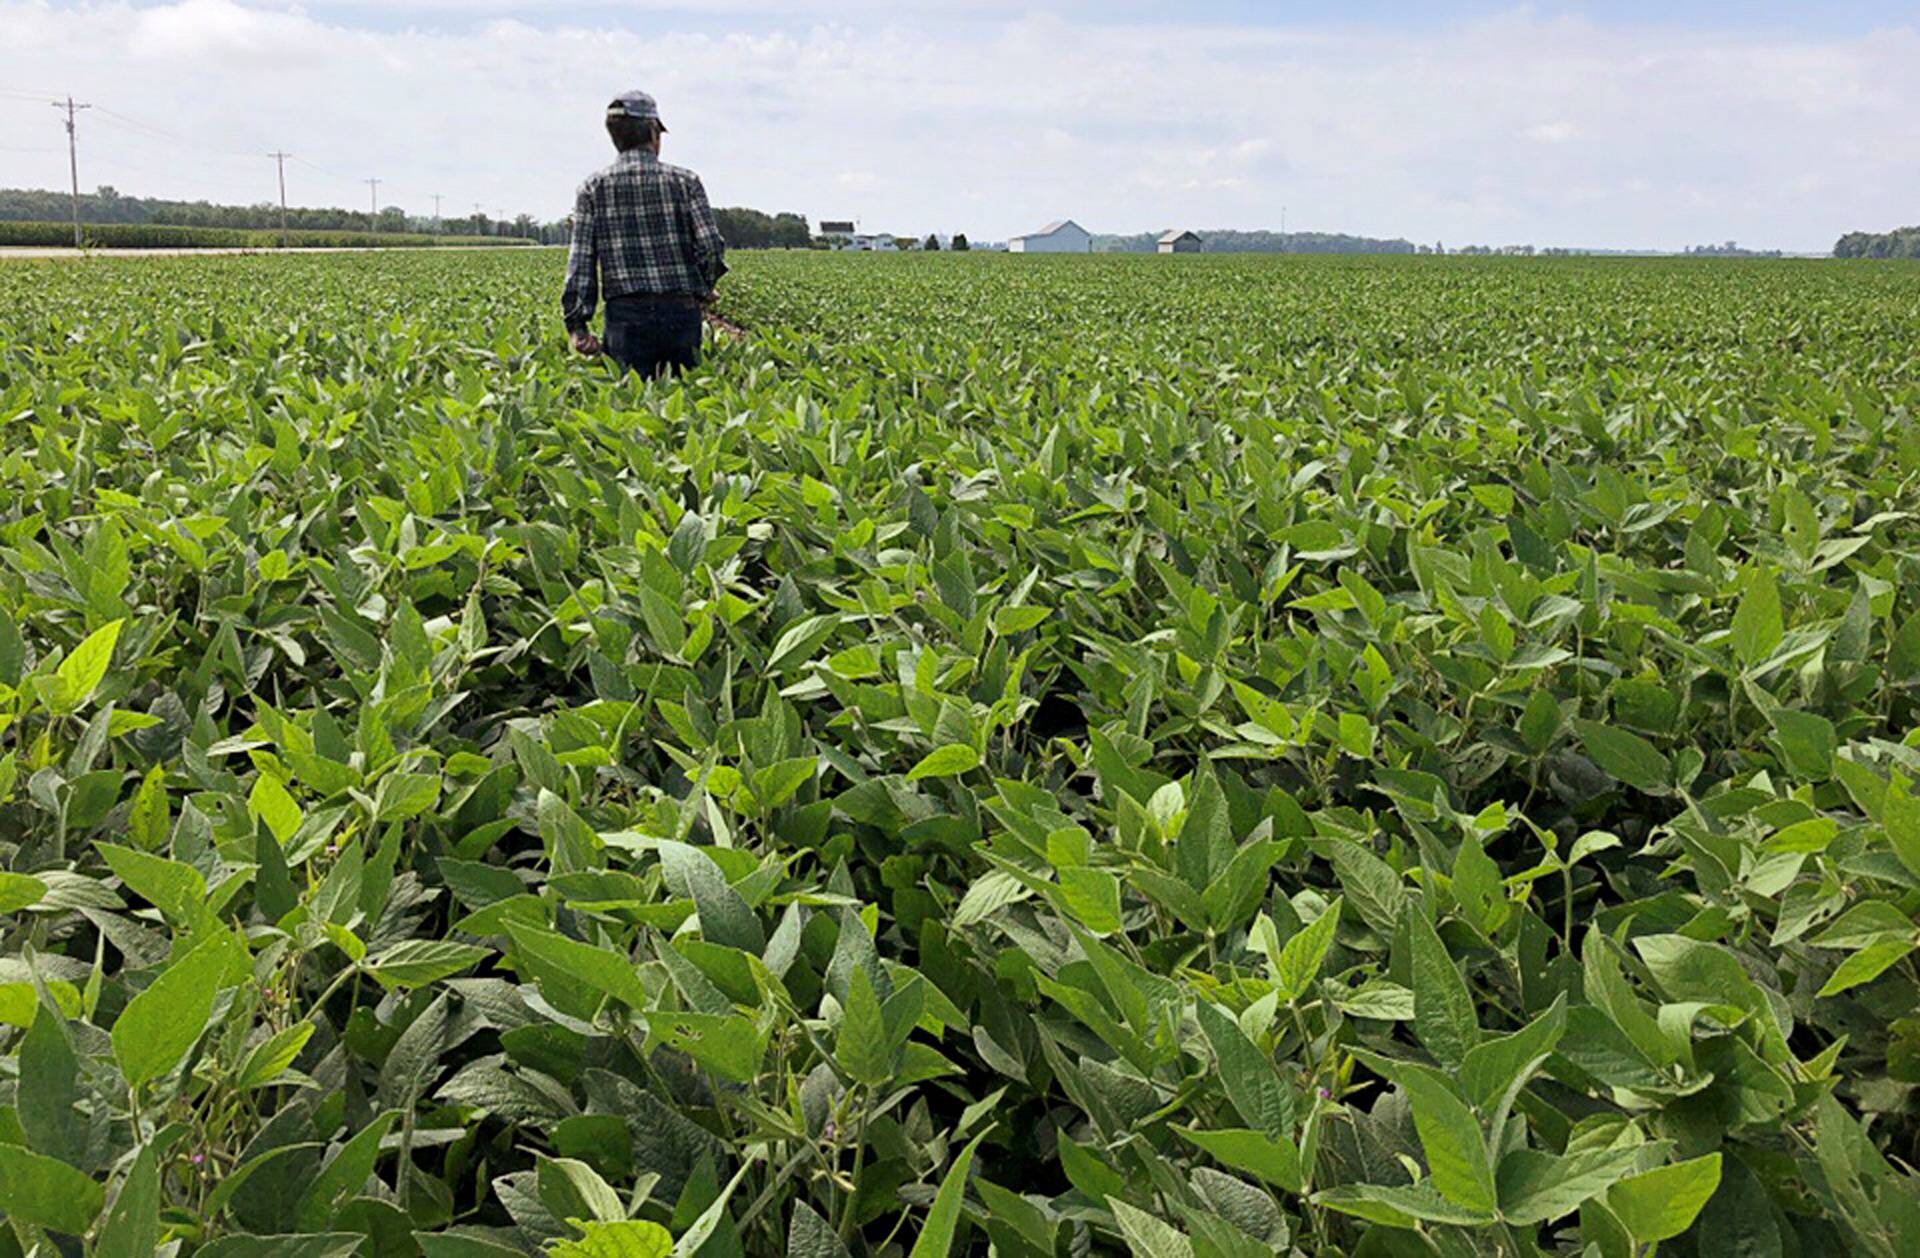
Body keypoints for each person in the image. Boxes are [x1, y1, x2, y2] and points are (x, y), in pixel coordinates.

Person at [562, 90, 728, 377]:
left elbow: (581, 263)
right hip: (680, 311)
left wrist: (577, 326)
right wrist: (704, 285)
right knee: (687, 404)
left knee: (632, 407)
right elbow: (711, 246)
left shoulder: (593, 187)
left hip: (626, 317)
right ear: (653, 132)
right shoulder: (685, 181)